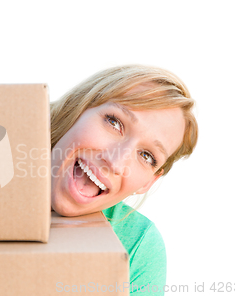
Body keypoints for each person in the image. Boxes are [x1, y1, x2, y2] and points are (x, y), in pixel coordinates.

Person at [50, 65, 198, 295]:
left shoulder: (139, 246)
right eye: (114, 122)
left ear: (149, 182)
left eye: (146, 156)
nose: (115, 162)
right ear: (76, 108)